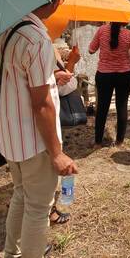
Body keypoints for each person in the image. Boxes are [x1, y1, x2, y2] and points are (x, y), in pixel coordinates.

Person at [0, 0, 77, 258]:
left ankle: (13, 256)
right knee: (39, 207)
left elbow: (14, 76)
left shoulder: (2, 28)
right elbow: (41, 104)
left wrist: (52, 75)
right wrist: (58, 153)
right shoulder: (38, 39)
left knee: (21, 196)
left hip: (10, 134)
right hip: (34, 139)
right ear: (53, 3)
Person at [88, 21, 130, 149]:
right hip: (125, 74)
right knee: (122, 106)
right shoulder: (129, 34)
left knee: (102, 108)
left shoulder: (101, 30)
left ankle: (97, 142)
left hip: (104, 74)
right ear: (125, 20)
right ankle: (119, 142)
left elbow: (91, 50)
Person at [49, 44, 80, 226]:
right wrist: (72, 64)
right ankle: (51, 209)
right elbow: (64, 86)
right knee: (58, 164)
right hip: (48, 118)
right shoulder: (42, 43)